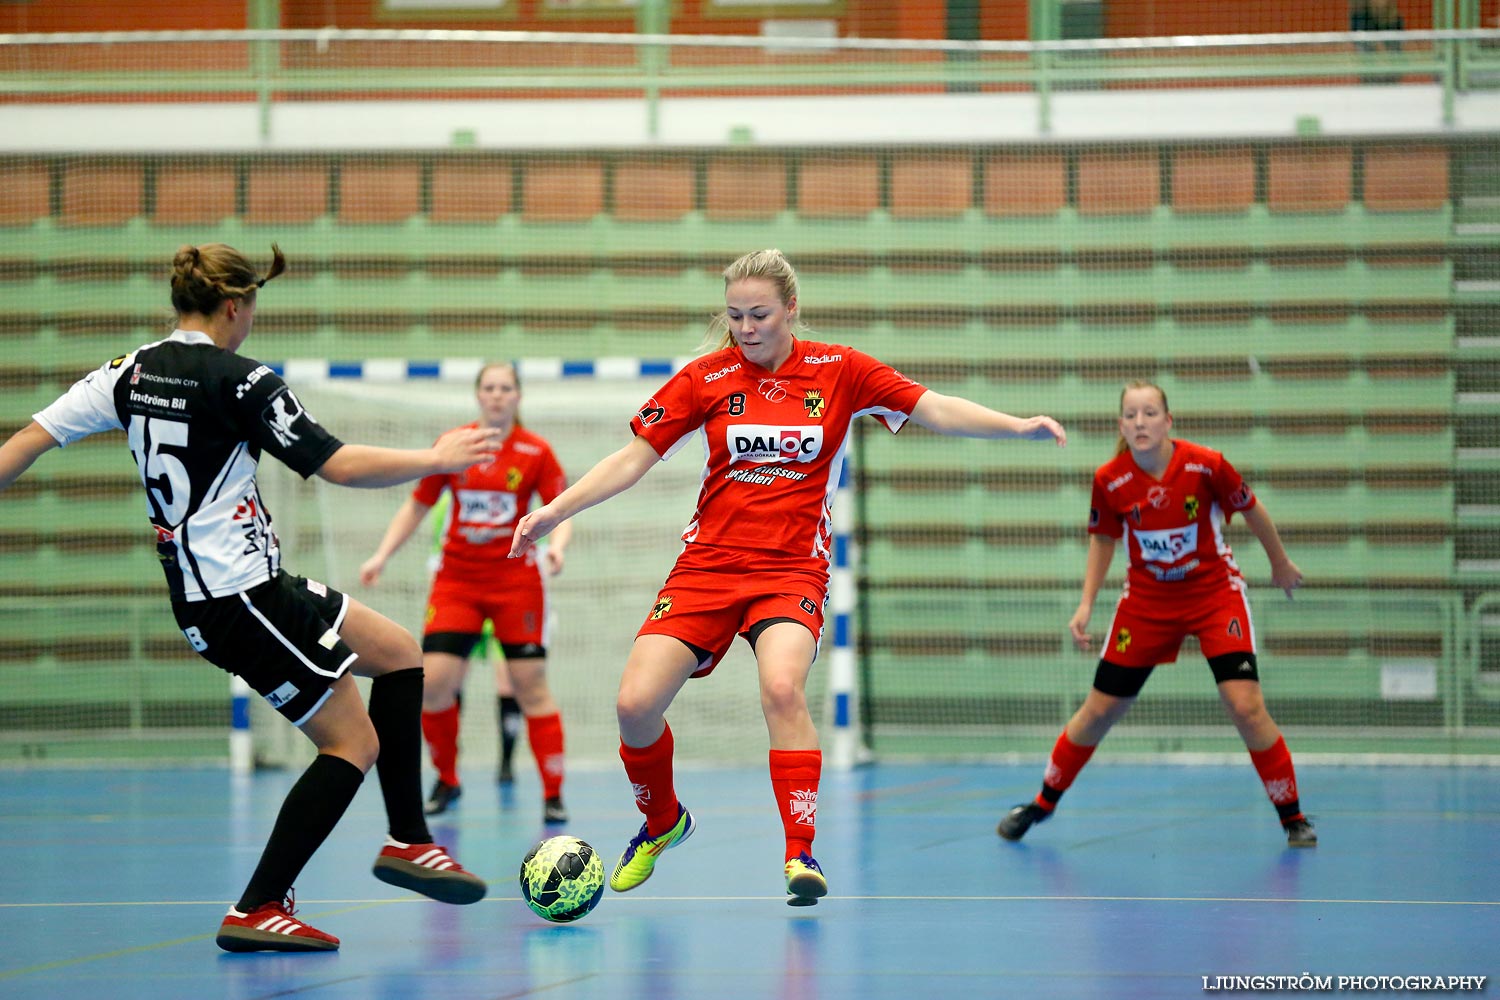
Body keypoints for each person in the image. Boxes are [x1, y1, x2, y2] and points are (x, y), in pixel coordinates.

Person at [509, 248, 1067, 905]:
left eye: (760, 315)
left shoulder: (840, 369)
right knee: (634, 706)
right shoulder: (705, 378)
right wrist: (553, 509)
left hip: (791, 567)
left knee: (781, 687)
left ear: (791, 309)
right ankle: (663, 823)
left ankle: (800, 854)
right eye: (736, 315)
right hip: (708, 567)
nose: (746, 328)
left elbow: (932, 407)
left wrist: (1016, 428)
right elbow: (633, 460)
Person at [0, 243, 493, 953]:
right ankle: (260, 905)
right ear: (235, 305)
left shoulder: (127, 372)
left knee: (399, 654)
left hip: (237, 586)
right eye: (254, 305)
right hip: (240, 597)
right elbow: (337, 464)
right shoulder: (244, 381)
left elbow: (29, 439)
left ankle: (409, 840)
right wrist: (436, 459)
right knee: (352, 743)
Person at [996, 381, 1317, 849]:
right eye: (1131, 415)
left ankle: (1294, 817)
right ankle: (1041, 805)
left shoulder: (1206, 465)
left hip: (1213, 595)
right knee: (1099, 710)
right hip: (1147, 604)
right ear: (1121, 426)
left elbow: (1251, 508)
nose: (1141, 422)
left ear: (1169, 421)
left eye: (1150, 413)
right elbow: (1103, 540)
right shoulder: (1110, 479)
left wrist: (1280, 562)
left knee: (1246, 706)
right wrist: (1086, 603)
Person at [359, 362, 573, 823]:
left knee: (529, 685)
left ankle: (553, 793)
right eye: (489, 388)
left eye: (506, 388)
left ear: (518, 396)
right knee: (433, 685)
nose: (497, 395)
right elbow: (418, 504)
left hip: (515, 581)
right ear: (478, 395)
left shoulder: (535, 451)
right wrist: (381, 555)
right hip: (458, 581)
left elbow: (562, 506)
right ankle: (448, 780)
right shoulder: (454, 446)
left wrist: (557, 546)